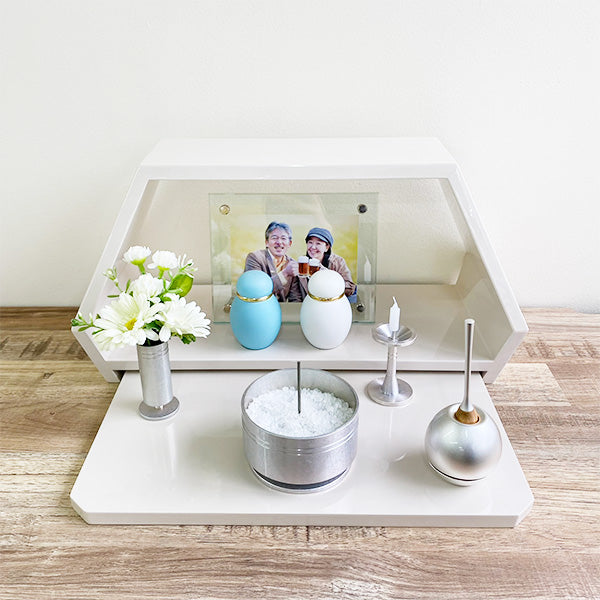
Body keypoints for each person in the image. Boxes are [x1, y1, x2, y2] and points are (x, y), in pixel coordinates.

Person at [243, 222, 303, 302]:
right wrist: (285, 273)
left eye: (283, 238)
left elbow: (295, 298)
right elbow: (256, 291)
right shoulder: (255, 258)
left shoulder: (291, 264)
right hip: (258, 306)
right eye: (274, 238)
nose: (279, 242)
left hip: (281, 308)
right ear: (267, 242)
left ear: (289, 243)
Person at [302, 227, 356, 297]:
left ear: (326, 248)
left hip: (332, 302)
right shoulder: (302, 264)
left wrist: (328, 275)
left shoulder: (338, 262)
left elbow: (350, 288)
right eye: (310, 242)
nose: (313, 247)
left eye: (318, 243)